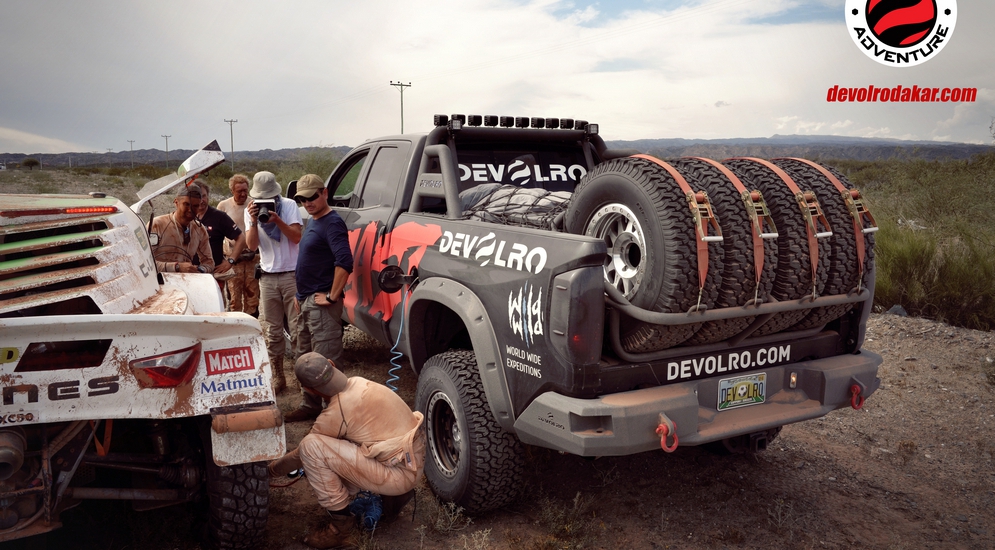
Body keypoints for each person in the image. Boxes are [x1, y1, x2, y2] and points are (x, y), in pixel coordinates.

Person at [268, 352, 424, 550]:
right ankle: (390, 498)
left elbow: (301, 454)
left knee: (311, 447)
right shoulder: (359, 382)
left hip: (399, 475)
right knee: (342, 440)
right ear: (332, 364)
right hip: (414, 462)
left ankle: (341, 531)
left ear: (309, 389)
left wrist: (270, 471)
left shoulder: (337, 412)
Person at [284, 174, 354, 423]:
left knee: (326, 361)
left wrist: (332, 296)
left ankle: (336, 414)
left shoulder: (332, 223)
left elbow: (344, 261)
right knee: (305, 358)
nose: (307, 203)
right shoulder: (314, 220)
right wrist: (299, 294)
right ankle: (310, 405)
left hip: (321, 305)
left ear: (324, 192)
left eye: (312, 197)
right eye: (302, 199)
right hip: (306, 301)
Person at [245, 171, 302, 394]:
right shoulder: (250, 210)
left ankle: (302, 376)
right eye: (260, 199)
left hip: (291, 275)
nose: (264, 203)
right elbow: (251, 246)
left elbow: (296, 237)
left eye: (267, 199)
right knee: (273, 331)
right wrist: (253, 221)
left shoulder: (288, 205)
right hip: (268, 277)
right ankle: (278, 375)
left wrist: (277, 220)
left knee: (298, 329)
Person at [217, 174, 261, 316]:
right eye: (239, 191)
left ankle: (252, 322)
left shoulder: (254, 204)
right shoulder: (223, 206)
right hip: (233, 258)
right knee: (234, 298)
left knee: (252, 296)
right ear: (232, 191)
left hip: (252, 257)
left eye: (245, 190)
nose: (243, 194)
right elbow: (218, 232)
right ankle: (235, 324)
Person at [193, 180, 248, 291]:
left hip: (213, 274)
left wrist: (230, 261)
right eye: (198, 196)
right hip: (190, 273)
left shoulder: (219, 217)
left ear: (208, 196)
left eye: (204, 196)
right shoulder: (185, 216)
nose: (201, 200)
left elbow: (241, 238)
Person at [150, 185, 214, 274]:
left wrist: (199, 270)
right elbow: (145, 262)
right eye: (186, 204)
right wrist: (176, 267)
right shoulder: (157, 225)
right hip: (159, 280)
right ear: (176, 202)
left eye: (195, 206)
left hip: (185, 280)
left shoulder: (199, 229)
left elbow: (209, 262)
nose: (190, 210)